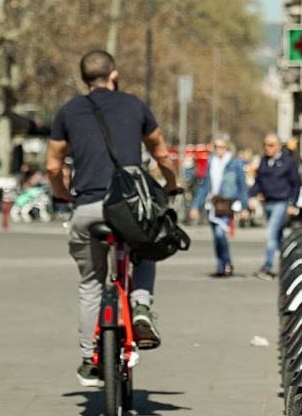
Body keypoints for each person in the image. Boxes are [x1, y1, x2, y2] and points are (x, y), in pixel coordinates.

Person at [47, 49, 179, 389]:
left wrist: (62, 194)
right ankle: (141, 306)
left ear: (84, 78)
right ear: (114, 75)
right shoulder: (135, 106)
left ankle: (89, 360)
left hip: (88, 209)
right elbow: (161, 153)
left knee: (91, 283)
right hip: (129, 208)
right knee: (148, 246)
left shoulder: (68, 111)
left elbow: (52, 165)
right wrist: (172, 184)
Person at [188, 134, 248, 277]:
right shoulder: (211, 162)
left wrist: (245, 207)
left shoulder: (234, 163)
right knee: (216, 236)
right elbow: (204, 186)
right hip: (213, 204)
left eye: (222, 147)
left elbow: (242, 186)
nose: (219, 150)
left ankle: (227, 263)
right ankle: (221, 265)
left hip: (228, 204)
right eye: (216, 147)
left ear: (227, 148)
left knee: (221, 234)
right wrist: (195, 206)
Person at [253, 133, 301, 279]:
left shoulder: (288, 162)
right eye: (265, 145)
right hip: (268, 202)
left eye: (271, 145)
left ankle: (267, 267)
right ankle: (293, 262)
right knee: (279, 237)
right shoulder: (264, 161)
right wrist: (251, 196)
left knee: (271, 234)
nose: (267, 148)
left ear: (279, 146)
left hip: (282, 202)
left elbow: (296, 183)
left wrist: (293, 203)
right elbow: (258, 181)